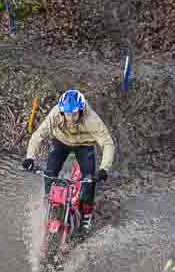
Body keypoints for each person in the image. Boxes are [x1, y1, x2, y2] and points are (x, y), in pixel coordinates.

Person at [22, 89, 115, 233]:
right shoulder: (56, 113)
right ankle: (51, 207)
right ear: (62, 111)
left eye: (74, 114)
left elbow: (107, 143)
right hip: (61, 141)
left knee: (89, 182)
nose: (70, 118)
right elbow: (39, 135)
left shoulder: (91, 119)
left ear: (81, 110)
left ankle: (86, 216)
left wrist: (104, 169)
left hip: (84, 145)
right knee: (49, 175)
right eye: (67, 114)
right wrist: (30, 157)